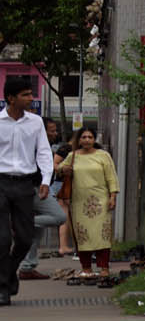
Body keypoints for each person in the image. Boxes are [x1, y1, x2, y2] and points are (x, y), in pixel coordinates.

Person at [0, 81, 55, 305]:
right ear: (11, 98)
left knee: (24, 238)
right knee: (2, 239)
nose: (31, 98)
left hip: (24, 184)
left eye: (31, 94)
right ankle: (3, 290)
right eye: (25, 94)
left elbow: (43, 151)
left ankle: (8, 273)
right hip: (0, 182)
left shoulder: (35, 123)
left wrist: (45, 179)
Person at [57, 126, 117, 281]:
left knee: (102, 234)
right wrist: (64, 170)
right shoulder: (73, 155)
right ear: (79, 140)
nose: (87, 140)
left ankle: (104, 267)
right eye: (83, 137)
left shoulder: (103, 156)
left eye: (90, 137)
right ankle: (86, 268)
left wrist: (112, 196)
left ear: (94, 139)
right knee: (82, 235)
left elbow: (111, 177)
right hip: (79, 202)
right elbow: (59, 169)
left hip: (100, 200)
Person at [17, 117, 68, 280]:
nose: (55, 133)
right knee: (59, 216)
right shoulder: (31, 147)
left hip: (38, 189)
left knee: (35, 233)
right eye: (52, 130)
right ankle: (23, 223)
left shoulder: (46, 148)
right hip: (34, 190)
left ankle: (27, 267)